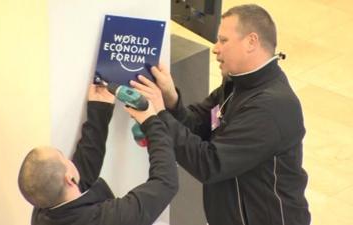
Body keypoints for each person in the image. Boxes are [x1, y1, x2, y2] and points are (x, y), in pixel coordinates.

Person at [129, 4, 310, 225]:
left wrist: (156, 115)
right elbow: (197, 126)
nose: (215, 48)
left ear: (251, 42)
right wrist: (170, 99)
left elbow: (210, 164)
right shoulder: (237, 84)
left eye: (223, 40)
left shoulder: (270, 107)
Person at [18, 84, 178, 225]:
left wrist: (99, 109)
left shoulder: (46, 209)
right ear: (68, 179)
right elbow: (165, 183)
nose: (70, 160)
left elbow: (83, 173)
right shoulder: (105, 220)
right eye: (63, 158)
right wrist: (151, 121)